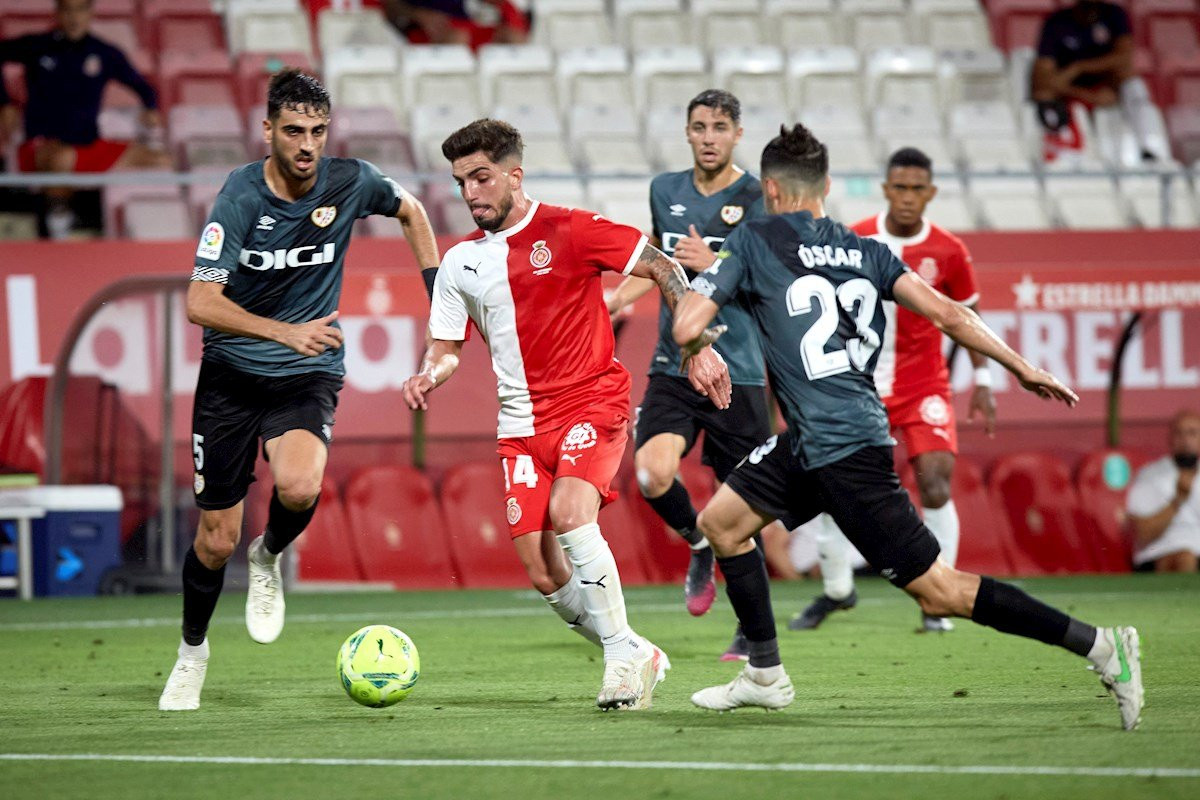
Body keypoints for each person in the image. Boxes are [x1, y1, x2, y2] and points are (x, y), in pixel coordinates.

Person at [672, 123, 1144, 731]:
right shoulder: (865, 248)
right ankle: (764, 675)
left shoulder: (756, 237)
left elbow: (687, 325)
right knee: (724, 524)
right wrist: (1022, 367)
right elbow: (950, 312)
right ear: (828, 186)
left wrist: (709, 305)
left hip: (842, 451)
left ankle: (1104, 646)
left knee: (940, 591)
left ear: (769, 189)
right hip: (828, 436)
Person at [401, 118, 731, 710]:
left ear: (514, 175)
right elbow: (448, 348)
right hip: (519, 427)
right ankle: (632, 647)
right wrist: (431, 374)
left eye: (481, 177)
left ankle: (622, 664)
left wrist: (695, 345)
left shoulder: (572, 230)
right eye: (460, 182)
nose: (471, 193)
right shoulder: (458, 264)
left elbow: (664, 267)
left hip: (592, 402)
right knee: (544, 573)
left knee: (571, 511)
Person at [158, 70, 440, 712]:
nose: (307, 143)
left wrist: (437, 292)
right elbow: (201, 302)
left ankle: (271, 555)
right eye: (293, 131)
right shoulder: (239, 198)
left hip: (306, 373)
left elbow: (412, 210)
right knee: (213, 539)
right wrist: (284, 332)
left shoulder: (351, 180)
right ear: (268, 131)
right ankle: (191, 654)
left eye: (317, 130)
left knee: (302, 486)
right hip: (232, 376)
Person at [606, 89, 788, 661]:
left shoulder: (758, 197)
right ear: (687, 132)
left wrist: (719, 265)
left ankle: (750, 628)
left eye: (720, 127)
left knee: (745, 509)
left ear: (738, 134)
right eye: (700, 126)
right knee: (652, 474)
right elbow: (662, 261)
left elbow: (776, 277)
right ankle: (699, 542)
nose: (709, 136)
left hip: (740, 370)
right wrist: (615, 297)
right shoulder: (666, 190)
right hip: (676, 362)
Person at [790, 147, 996, 634]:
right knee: (832, 483)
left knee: (936, 480)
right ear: (885, 190)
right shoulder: (856, 237)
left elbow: (968, 317)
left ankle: (938, 598)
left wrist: (983, 380)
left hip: (923, 381)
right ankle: (837, 589)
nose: (907, 197)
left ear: (931, 193)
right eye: (898, 188)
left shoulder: (949, 252)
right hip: (856, 380)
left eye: (916, 188)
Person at [0, 0, 172, 237]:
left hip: (88, 146)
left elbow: (144, 88)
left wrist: (150, 108)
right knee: (61, 157)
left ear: (90, 12)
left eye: (80, 9)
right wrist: (5, 104)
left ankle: (159, 238)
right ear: (58, 12)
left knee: (162, 160)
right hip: (41, 149)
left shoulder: (104, 53)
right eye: (68, 9)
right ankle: (57, 225)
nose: (74, 16)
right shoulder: (37, 46)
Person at [1030, 0, 1162, 163]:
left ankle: (1148, 146)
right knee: (1044, 93)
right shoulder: (1057, 22)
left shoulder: (1114, 15)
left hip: (1105, 87)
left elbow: (1124, 59)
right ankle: (1058, 151)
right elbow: (1043, 76)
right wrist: (1088, 95)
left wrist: (1080, 67)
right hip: (1070, 92)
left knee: (1133, 84)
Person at [1127, 409, 1200, 573]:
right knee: (1184, 558)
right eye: (1179, 434)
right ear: (1170, 439)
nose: (1186, 440)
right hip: (1159, 554)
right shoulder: (1150, 475)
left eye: (1192, 433)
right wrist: (1178, 500)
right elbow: (1143, 534)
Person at [381, 0, 529, 48]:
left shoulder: (504, 11)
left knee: (514, 38)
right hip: (430, 40)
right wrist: (419, 15)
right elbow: (390, 7)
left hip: (476, 28)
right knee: (457, 38)